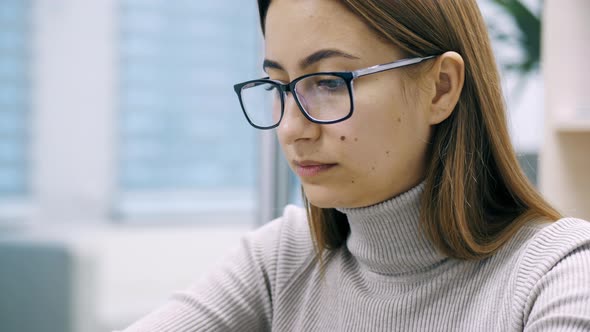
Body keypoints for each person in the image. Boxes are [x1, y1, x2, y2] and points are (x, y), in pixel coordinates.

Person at [120, 0, 590, 331]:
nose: (291, 128)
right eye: (279, 87)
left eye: (326, 82)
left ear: (441, 88)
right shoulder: (285, 259)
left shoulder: (558, 274)